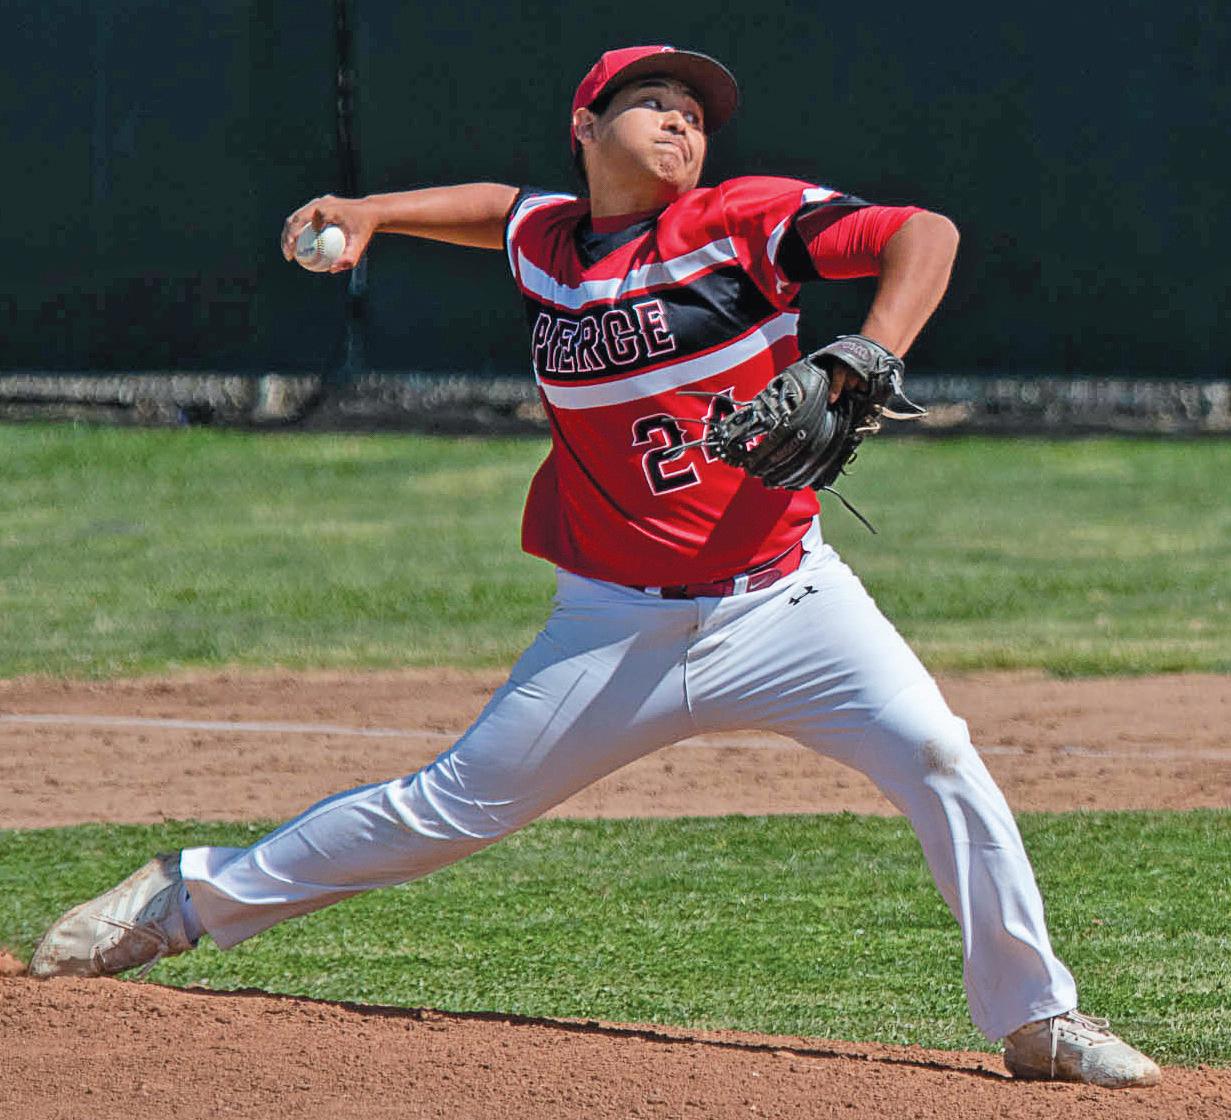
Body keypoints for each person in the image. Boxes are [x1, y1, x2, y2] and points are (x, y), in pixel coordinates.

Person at [30, 45, 1159, 1089]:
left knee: (938, 754)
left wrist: (865, 352)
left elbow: (926, 233)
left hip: (788, 603)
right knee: (445, 810)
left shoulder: (737, 220)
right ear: (585, 126)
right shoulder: (553, 245)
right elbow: (500, 210)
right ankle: (186, 895)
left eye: (695, 115)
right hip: (611, 624)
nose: (681, 123)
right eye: (652, 103)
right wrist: (373, 212)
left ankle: (1037, 1018)